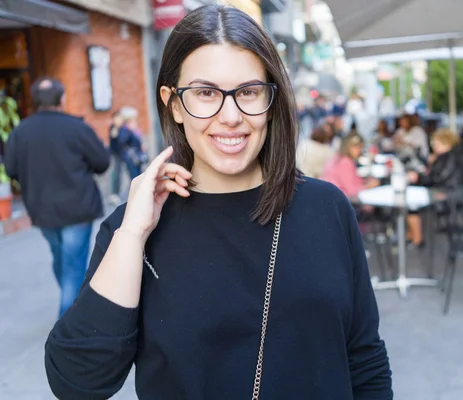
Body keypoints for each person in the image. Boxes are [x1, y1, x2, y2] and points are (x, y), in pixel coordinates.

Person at [44, 5, 392, 400]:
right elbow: (77, 382)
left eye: (248, 92)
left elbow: (364, 359)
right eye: (206, 93)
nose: (231, 116)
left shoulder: (327, 208)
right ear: (173, 104)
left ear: (271, 99)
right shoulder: (134, 228)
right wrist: (132, 235)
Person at [4, 77, 110, 317]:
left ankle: (72, 304)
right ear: (62, 99)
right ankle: (69, 322)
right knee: (72, 265)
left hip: (41, 209)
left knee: (61, 259)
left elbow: (10, 170)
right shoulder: (77, 127)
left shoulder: (21, 132)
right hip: (77, 207)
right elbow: (102, 163)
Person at [405, 129, 463, 247]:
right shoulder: (455, 155)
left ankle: (416, 239)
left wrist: (418, 178)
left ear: (447, 144)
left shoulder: (447, 157)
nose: (434, 147)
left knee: (411, 203)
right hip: (454, 193)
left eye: (437, 144)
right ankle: (411, 236)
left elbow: (436, 178)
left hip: (447, 196)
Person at [321, 132, 380, 198]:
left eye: (360, 147)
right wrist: (368, 186)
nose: (359, 151)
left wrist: (365, 181)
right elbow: (351, 192)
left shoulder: (338, 158)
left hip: (331, 198)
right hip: (339, 201)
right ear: (348, 147)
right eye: (357, 147)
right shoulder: (345, 162)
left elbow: (353, 181)